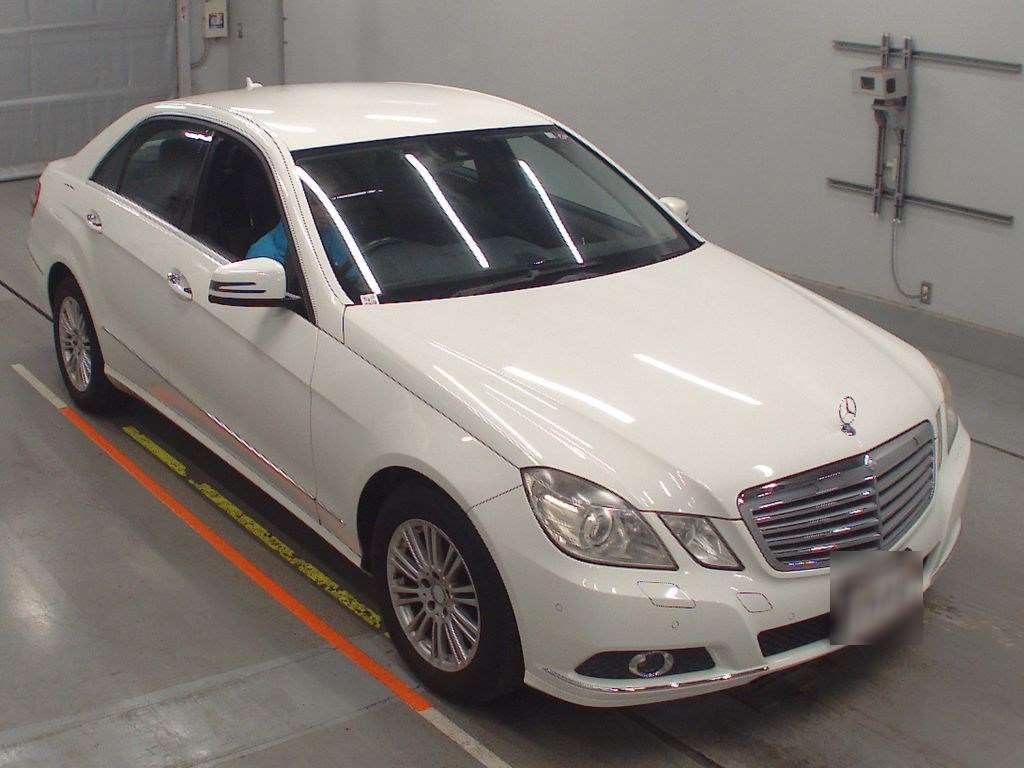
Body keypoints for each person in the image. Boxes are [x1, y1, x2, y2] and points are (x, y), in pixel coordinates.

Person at [247, 216, 363, 287]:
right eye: (315, 204)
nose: (323, 210)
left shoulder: (332, 234)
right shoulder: (261, 254)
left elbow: (356, 276)